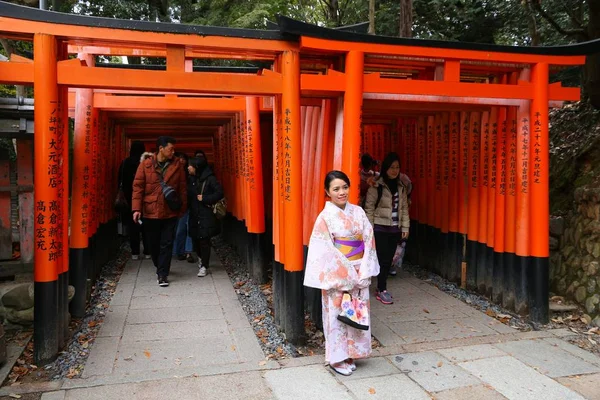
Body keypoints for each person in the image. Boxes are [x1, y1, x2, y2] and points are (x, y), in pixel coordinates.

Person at [304, 170, 379, 376]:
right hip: (338, 275)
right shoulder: (325, 217)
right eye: (336, 189)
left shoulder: (358, 212)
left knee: (356, 313)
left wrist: (364, 269)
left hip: (359, 269)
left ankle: (351, 354)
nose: (341, 192)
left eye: (345, 187)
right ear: (327, 192)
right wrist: (346, 274)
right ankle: (336, 359)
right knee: (336, 316)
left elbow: (368, 241)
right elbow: (324, 250)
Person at [132, 136, 187, 287]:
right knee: (153, 243)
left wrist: (182, 208)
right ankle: (159, 265)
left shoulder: (178, 165)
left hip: (170, 211)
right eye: (171, 149)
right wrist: (136, 209)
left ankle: (162, 274)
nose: (173, 152)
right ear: (161, 149)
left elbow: (182, 188)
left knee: (167, 243)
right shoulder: (146, 165)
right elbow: (138, 187)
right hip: (150, 211)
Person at [364, 152, 410, 304]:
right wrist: (369, 228)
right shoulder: (376, 186)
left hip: (394, 227)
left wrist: (405, 226)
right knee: (383, 259)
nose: (394, 170)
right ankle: (381, 288)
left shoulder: (401, 187)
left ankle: (380, 286)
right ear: (385, 168)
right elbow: (369, 208)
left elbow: (403, 208)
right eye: (391, 167)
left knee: (388, 259)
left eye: (397, 167)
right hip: (379, 227)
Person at [187, 152, 224, 277]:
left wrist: (205, 198)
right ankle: (201, 258)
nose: (188, 168)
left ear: (197, 167)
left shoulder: (210, 179)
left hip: (205, 213)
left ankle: (204, 265)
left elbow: (219, 193)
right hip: (193, 213)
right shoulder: (191, 179)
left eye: (190, 166)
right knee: (195, 238)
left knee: (204, 240)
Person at [117, 141, 150, 260]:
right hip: (145, 199)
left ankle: (135, 252)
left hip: (129, 199)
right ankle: (147, 251)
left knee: (133, 226)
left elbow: (119, 180)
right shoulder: (146, 163)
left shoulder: (125, 163)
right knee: (146, 226)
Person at [172, 153, 194, 262]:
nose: (181, 160)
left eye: (183, 158)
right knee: (179, 229)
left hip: (188, 204)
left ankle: (188, 251)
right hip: (177, 205)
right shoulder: (172, 173)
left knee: (188, 228)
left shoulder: (189, 174)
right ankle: (179, 251)